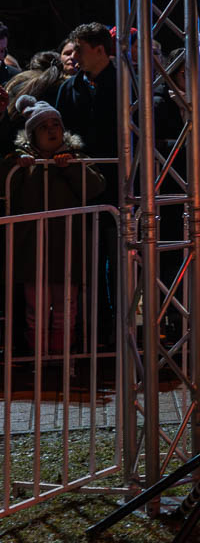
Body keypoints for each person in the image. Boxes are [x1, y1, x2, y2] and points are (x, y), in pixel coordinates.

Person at [5, 96, 105, 358]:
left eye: (55, 125)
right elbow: (7, 190)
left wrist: (71, 168)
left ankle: (62, 356)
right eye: (43, 127)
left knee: (66, 307)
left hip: (67, 245)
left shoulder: (76, 157)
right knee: (35, 308)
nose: (51, 131)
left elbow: (95, 187)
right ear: (32, 134)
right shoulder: (20, 162)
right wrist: (17, 166)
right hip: (32, 247)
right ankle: (38, 356)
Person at [55, 23, 118, 163]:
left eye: (79, 50)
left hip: (121, 168)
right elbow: (62, 130)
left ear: (100, 50)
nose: (74, 56)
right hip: (79, 169)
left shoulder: (127, 87)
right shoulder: (68, 88)